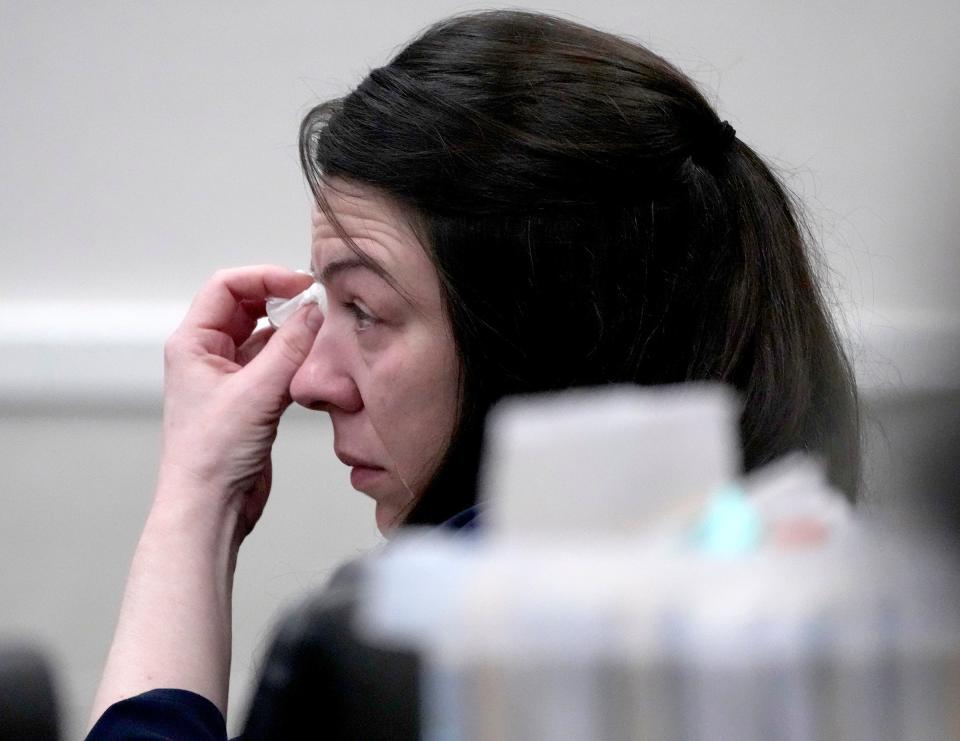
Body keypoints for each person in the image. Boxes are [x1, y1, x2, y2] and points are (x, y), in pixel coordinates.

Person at [85, 9, 860, 739]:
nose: (309, 380)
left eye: (367, 308)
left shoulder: (399, 661)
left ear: (541, 340)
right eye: (326, 300)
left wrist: (194, 500)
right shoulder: (835, 595)